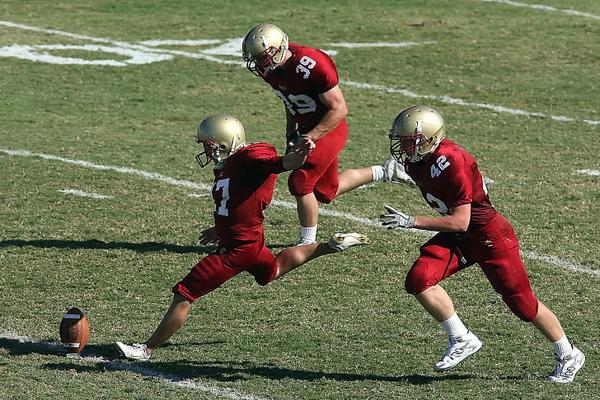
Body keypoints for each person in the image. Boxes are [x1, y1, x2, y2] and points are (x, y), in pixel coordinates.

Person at [116, 114, 369, 360]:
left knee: (185, 293)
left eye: (210, 145)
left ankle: (146, 350)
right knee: (274, 270)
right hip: (250, 243)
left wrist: (297, 155)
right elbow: (239, 200)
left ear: (226, 143)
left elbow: (281, 164)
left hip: (235, 251)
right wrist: (222, 228)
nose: (208, 151)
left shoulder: (250, 156)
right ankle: (331, 245)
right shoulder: (231, 164)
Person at [379, 105, 585, 383]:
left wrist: (411, 221)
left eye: (409, 141)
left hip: (488, 235)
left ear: (430, 138)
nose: (403, 147)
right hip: (463, 237)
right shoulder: (418, 159)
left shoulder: (452, 161)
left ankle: (568, 352)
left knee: (522, 304)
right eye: (401, 140)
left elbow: (460, 221)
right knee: (419, 279)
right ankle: (461, 337)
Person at [241, 23, 413, 245]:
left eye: (262, 58)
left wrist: (311, 136)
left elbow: (339, 109)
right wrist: (290, 132)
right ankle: (386, 171)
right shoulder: (272, 69)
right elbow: (290, 101)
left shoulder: (311, 64)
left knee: (300, 183)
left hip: (329, 129)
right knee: (325, 192)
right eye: (255, 58)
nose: (258, 64)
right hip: (307, 130)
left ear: (277, 50)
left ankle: (307, 242)